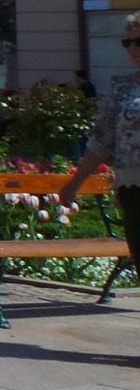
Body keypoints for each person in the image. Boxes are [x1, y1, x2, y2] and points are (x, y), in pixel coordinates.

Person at [59, 13, 140, 269]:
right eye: (127, 43)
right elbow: (101, 141)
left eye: (139, 41)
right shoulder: (124, 88)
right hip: (132, 190)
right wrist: (74, 183)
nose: (133, 48)